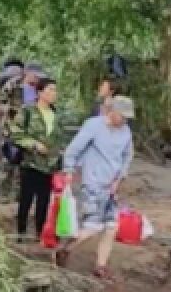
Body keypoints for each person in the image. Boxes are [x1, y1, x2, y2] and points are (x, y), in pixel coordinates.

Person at [53, 96, 135, 280]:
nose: (124, 120)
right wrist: (69, 170)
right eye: (121, 116)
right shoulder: (94, 126)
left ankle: (101, 266)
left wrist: (119, 178)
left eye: (126, 118)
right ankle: (66, 248)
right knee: (93, 226)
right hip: (93, 182)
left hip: (112, 184)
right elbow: (73, 149)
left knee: (111, 227)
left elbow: (127, 156)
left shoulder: (126, 132)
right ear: (112, 112)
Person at [12, 77, 65, 241]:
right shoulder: (28, 111)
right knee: (26, 199)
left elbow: (59, 140)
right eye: (49, 90)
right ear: (40, 92)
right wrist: (34, 145)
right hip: (30, 162)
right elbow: (15, 132)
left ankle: (40, 233)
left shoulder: (56, 115)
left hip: (49, 165)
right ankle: (20, 233)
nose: (53, 94)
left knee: (44, 200)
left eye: (55, 90)